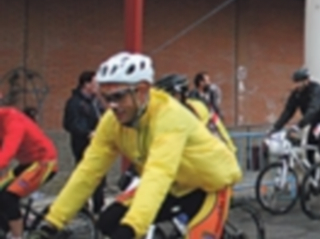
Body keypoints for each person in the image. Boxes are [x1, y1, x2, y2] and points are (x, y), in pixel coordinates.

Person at [31, 52, 241, 239]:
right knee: (108, 222)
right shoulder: (112, 122)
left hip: (208, 184)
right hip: (175, 183)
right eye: (105, 98)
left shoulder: (169, 117)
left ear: (141, 91)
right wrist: (53, 222)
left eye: (118, 97)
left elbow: (158, 173)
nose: (112, 106)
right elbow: (88, 172)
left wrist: (132, 227)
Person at [0, 107, 58, 239]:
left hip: (44, 162)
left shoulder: (13, 120)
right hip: (27, 163)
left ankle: (17, 235)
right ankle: (12, 224)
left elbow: (8, 151)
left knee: (8, 197)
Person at [270, 67, 320, 164]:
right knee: (309, 151)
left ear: (307, 80)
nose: (298, 85)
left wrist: (298, 126)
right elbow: (288, 112)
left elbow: (313, 110)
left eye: (300, 82)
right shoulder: (297, 94)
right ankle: (314, 177)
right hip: (316, 122)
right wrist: (275, 128)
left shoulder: (317, 90)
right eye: (296, 82)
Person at [154, 73, 236, 152]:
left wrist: (230, 148)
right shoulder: (192, 100)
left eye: (165, 98)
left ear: (179, 96)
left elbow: (216, 123)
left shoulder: (197, 107)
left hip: (214, 152)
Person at [62, 71, 106, 216]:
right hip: (83, 144)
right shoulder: (75, 103)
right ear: (86, 84)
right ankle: (83, 205)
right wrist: (87, 132)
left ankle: (98, 205)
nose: (97, 87)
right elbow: (70, 124)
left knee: (99, 175)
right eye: (95, 83)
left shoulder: (95, 102)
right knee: (86, 174)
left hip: (98, 144)